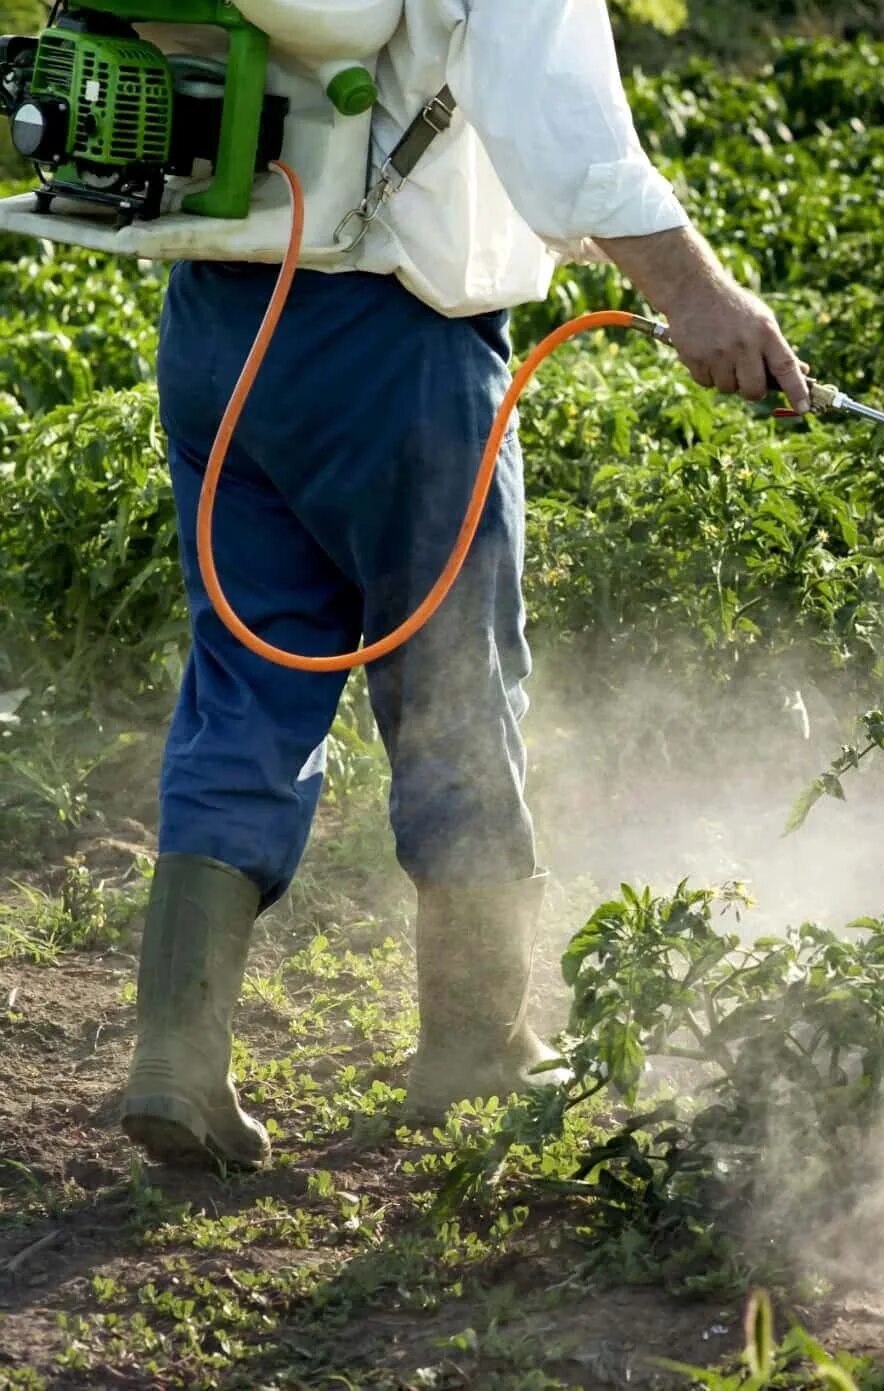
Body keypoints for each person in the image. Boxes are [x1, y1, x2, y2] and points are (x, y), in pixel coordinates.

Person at [120, 0, 808, 1169]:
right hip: (393, 346)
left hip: (219, 325)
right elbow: (568, 135)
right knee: (454, 682)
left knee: (245, 676)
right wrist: (698, 296)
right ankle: (477, 1045)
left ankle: (176, 1062)